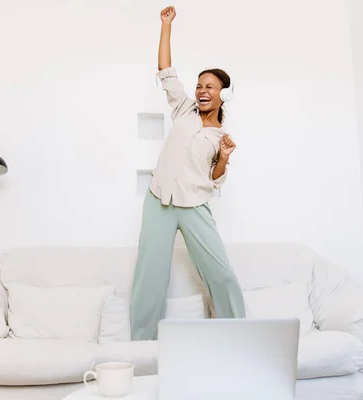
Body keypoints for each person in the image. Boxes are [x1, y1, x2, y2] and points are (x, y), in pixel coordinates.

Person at [130, 6, 246, 341]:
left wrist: (223, 157)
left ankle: (241, 334)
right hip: (159, 200)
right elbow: (165, 69)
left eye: (209, 86)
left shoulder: (219, 136)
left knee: (220, 273)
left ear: (224, 94)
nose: (202, 90)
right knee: (149, 276)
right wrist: (165, 25)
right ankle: (141, 346)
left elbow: (215, 178)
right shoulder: (184, 109)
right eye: (199, 85)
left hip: (195, 205)